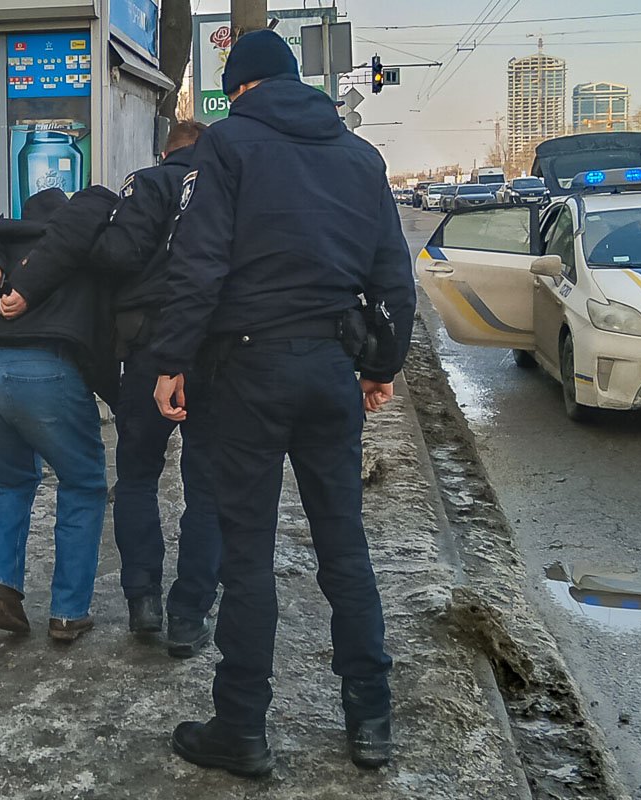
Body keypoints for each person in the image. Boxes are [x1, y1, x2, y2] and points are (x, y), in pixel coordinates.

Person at [150, 31, 416, 776]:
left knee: (248, 558)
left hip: (245, 374)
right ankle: (371, 720)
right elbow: (394, 278)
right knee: (344, 549)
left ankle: (242, 729)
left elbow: (198, 264)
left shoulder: (227, 148)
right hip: (332, 369)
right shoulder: (362, 159)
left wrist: (171, 361)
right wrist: (379, 365)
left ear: (239, 90)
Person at [0, 186, 116, 642]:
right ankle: (68, 612)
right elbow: (99, 338)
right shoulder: (73, 253)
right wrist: (121, 398)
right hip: (40, 367)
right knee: (83, 481)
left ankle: (1, 585)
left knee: (8, 478)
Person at [90, 121, 220, 658]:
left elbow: (116, 256)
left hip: (148, 349)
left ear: (165, 151)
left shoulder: (146, 183)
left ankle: (143, 600)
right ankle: (189, 615)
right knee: (207, 485)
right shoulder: (224, 187)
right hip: (212, 353)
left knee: (138, 477)